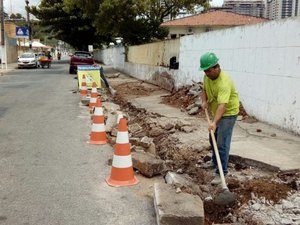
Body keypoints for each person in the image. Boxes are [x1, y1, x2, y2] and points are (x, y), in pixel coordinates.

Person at [199, 52, 239, 185]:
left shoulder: (224, 82)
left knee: (222, 143)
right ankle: (214, 162)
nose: (206, 73)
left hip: (228, 113)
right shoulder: (207, 77)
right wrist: (204, 101)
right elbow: (203, 90)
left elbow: (223, 106)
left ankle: (222, 172)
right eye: (205, 71)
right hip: (217, 111)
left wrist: (215, 122)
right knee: (213, 138)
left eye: (208, 71)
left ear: (216, 67)